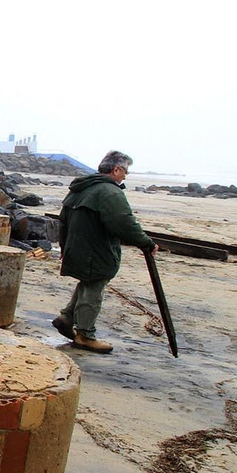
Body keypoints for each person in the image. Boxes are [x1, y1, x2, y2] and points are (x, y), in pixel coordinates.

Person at [54, 150, 157, 354]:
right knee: (94, 288)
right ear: (116, 169)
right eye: (126, 171)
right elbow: (124, 224)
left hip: (76, 247)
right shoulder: (109, 192)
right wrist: (146, 243)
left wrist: (64, 246)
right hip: (97, 250)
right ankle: (85, 335)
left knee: (87, 281)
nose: (126, 176)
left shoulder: (79, 189)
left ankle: (67, 317)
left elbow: (62, 221)